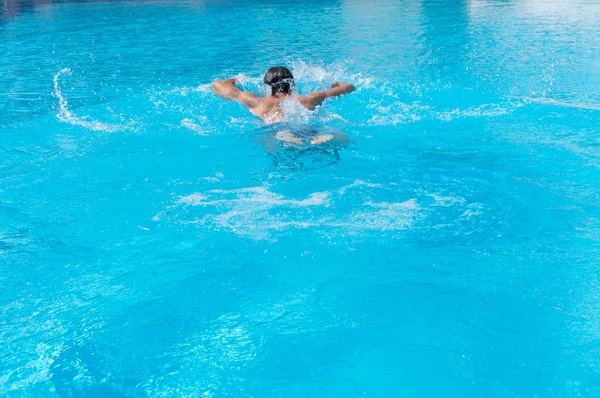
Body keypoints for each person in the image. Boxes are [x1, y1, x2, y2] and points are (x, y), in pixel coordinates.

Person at [211, 66, 355, 145]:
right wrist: (336, 85)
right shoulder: (308, 99)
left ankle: (287, 137)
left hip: (276, 129)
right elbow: (349, 87)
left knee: (281, 135)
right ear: (291, 85)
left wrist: (234, 80)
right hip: (308, 127)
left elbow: (217, 85)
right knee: (318, 135)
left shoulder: (257, 102)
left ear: (268, 87)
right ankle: (316, 138)